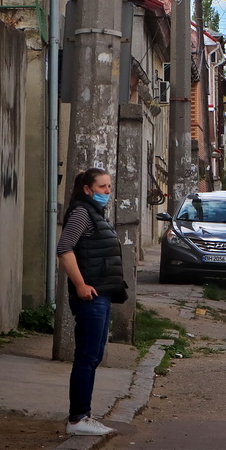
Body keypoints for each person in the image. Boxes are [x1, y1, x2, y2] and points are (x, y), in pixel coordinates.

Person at [56, 168, 128, 437]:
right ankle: (77, 419)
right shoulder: (82, 213)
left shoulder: (96, 214)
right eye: (102, 187)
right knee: (86, 358)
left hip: (102, 295)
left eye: (109, 187)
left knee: (93, 356)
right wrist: (80, 285)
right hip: (91, 297)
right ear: (87, 189)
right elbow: (64, 249)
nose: (107, 192)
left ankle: (84, 415)